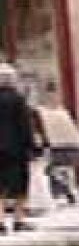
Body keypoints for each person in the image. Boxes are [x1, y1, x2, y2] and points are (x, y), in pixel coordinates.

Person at [0, 64, 39, 233]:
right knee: (20, 186)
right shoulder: (18, 99)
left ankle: (0, 222)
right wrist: (33, 146)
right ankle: (18, 219)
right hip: (16, 150)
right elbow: (25, 126)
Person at [36, 86, 79, 207]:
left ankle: (67, 192)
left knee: (53, 170)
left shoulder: (41, 111)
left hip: (59, 145)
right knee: (68, 169)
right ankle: (78, 191)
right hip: (73, 143)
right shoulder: (63, 110)